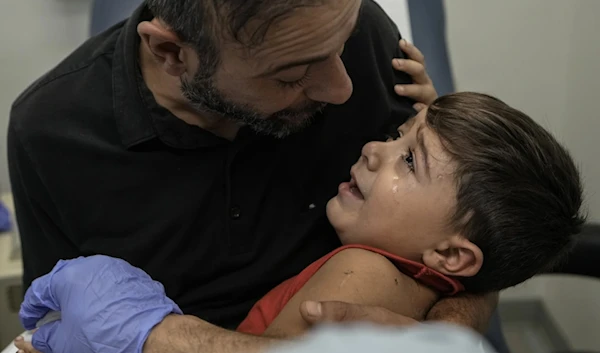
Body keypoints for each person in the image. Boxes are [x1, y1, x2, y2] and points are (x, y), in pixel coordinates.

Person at [8, 0, 496, 352]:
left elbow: (478, 229)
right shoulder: (53, 134)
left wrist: (446, 335)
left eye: (341, 47)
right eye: (290, 76)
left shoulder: (358, 32)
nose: (342, 89)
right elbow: (59, 326)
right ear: (172, 53)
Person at [236, 92, 585, 336]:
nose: (373, 150)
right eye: (396, 136)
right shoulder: (434, 289)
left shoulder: (363, 273)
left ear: (450, 254)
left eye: (409, 160)